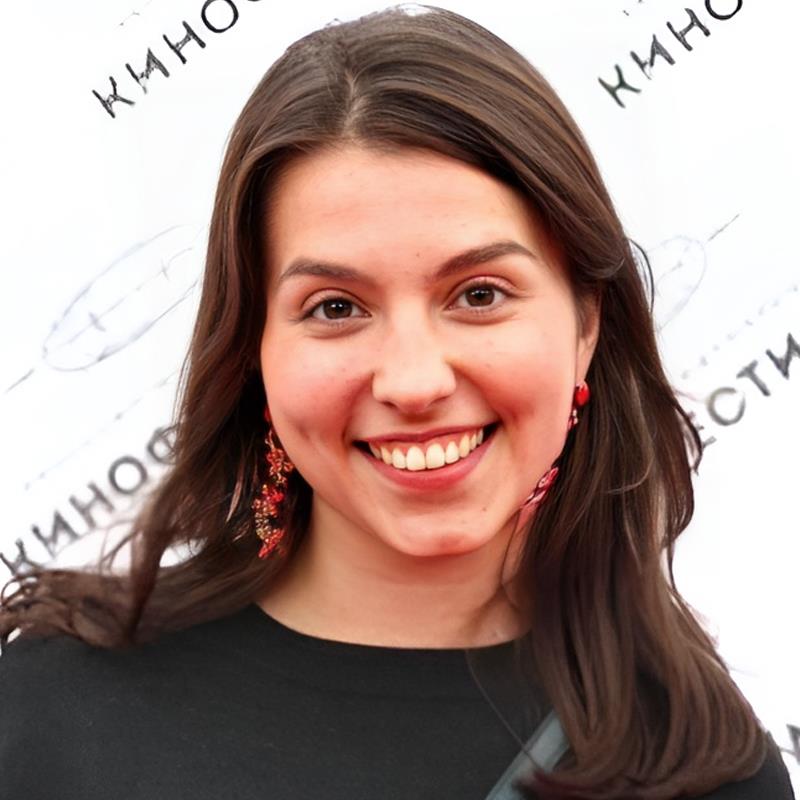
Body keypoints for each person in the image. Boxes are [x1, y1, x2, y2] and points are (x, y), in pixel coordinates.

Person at [0, 5, 794, 799]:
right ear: (252, 351)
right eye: (336, 308)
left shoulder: (701, 771)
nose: (414, 383)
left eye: (479, 294)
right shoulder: (49, 713)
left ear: (586, 323)